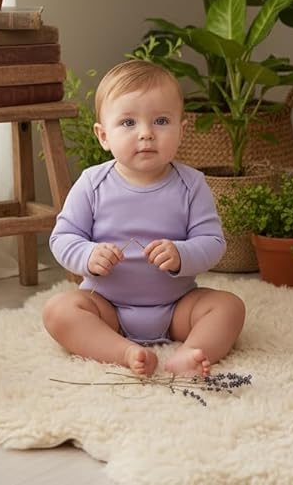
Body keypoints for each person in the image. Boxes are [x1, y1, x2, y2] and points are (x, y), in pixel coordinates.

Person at [42, 59, 246, 378]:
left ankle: (190, 353)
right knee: (58, 311)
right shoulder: (92, 183)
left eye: (161, 121)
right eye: (128, 123)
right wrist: (88, 255)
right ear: (103, 136)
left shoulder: (192, 184)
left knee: (229, 307)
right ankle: (123, 352)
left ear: (182, 130)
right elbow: (63, 238)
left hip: (177, 306)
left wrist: (181, 254)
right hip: (106, 306)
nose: (146, 134)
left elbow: (213, 243)